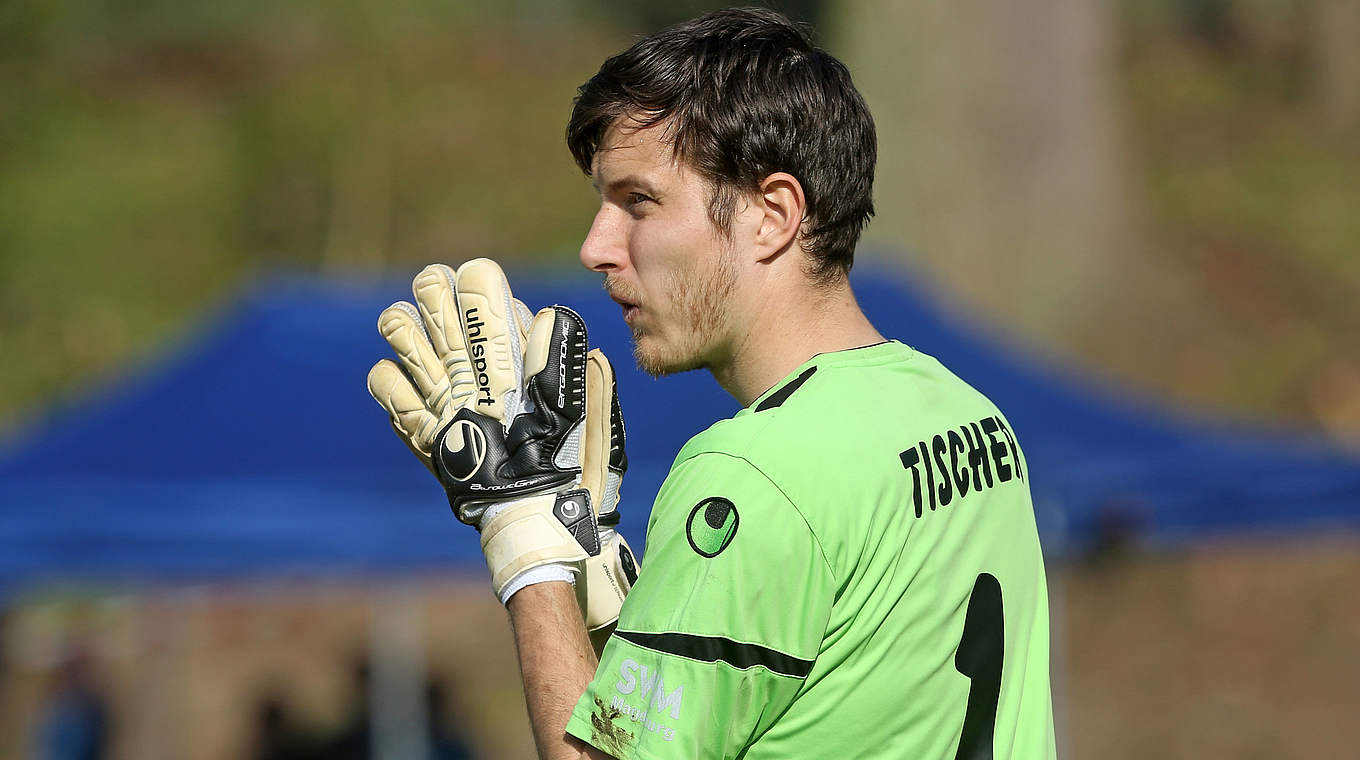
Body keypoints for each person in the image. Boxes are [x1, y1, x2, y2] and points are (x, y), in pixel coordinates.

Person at [369, 7, 1055, 760]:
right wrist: (600, 587)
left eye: (638, 202)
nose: (596, 246)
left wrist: (525, 539)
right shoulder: (967, 414)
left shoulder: (748, 477)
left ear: (773, 215)